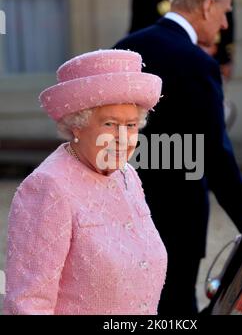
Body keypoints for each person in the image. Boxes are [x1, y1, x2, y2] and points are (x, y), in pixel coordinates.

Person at [114, 0, 242, 314]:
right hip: (180, 218)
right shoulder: (198, 62)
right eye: (223, 13)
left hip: (127, 212)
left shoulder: (125, 48)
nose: (224, 25)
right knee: (178, 306)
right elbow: (216, 155)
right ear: (207, 6)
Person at [3, 49, 167, 315]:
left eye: (131, 126)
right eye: (110, 124)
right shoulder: (48, 188)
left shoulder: (128, 176)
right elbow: (27, 305)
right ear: (77, 124)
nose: (122, 138)